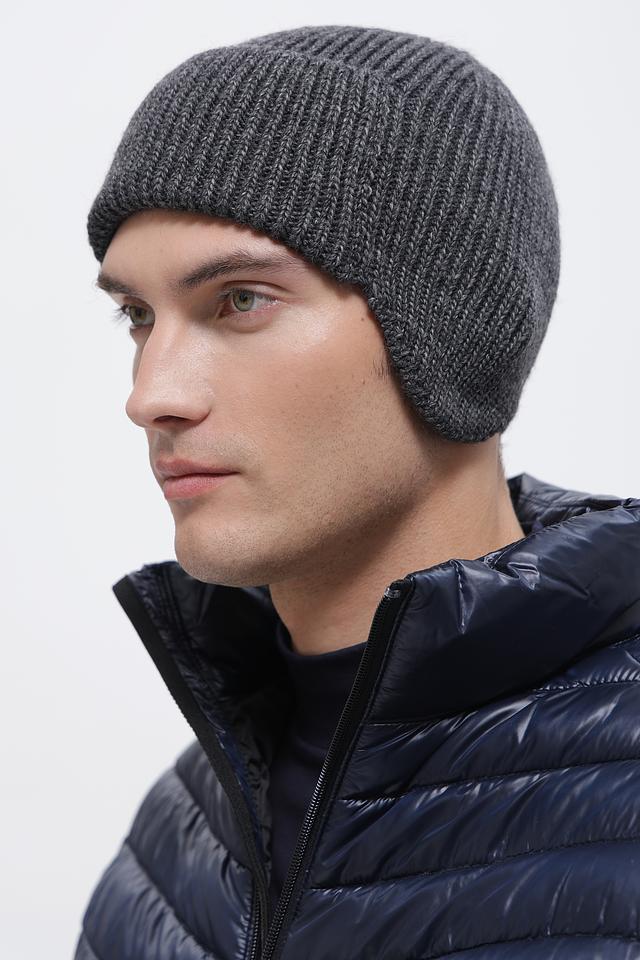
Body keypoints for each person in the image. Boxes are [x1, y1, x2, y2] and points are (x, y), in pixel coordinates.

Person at [74, 24, 640, 960]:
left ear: (452, 334)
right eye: (137, 314)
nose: (151, 396)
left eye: (240, 300)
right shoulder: (180, 834)